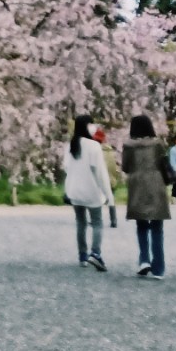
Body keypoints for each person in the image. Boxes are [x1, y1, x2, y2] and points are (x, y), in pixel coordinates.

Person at [122, 113, 171, 278]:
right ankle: (159, 269)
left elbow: (125, 168)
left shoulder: (128, 145)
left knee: (141, 225)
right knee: (157, 227)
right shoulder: (158, 144)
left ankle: (144, 260)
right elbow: (164, 164)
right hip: (156, 183)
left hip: (137, 185)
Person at [61, 114, 111, 271]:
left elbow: (66, 167)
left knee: (81, 223)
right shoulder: (93, 146)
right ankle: (95, 253)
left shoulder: (71, 145)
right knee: (97, 222)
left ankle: (82, 255)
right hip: (91, 190)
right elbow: (100, 173)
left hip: (74, 190)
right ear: (89, 126)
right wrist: (107, 194)